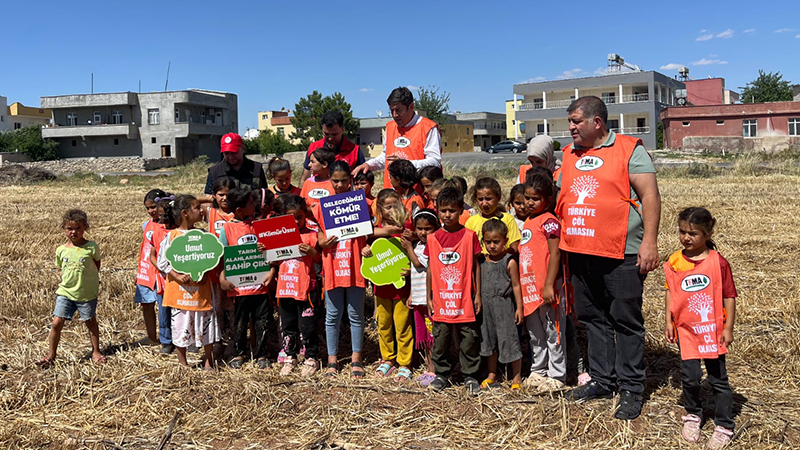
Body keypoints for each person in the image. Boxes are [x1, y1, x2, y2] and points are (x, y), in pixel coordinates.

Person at [557, 96, 661, 421]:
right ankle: (603, 380)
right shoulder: (569, 154)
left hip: (621, 252)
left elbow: (650, 196)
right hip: (580, 250)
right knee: (592, 318)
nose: (571, 127)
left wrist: (650, 242)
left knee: (625, 320)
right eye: (570, 122)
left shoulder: (630, 150)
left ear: (596, 122)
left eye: (576, 121)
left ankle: (631, 388)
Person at [664, 207, 736, 449]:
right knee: (690, 377)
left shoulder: (719, 262)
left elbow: (729, 296)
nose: (686, 238)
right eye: (682, 232)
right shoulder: (674, 261)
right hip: (687, 331)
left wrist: (728, 328)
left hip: (712, 331)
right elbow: (670, 293)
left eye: (693, 233)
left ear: (708, 233)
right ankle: (693, 413)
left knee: (718, 380)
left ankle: (724, 424)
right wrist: (668, 321)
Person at [425, 187, 483, 395]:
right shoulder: (432, 239)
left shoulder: (469, 236)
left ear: (461, 211)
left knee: (469, 339)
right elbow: (431, 267)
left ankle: (470, 375)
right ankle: (442, 374)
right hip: (442, 300)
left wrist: (477, 294)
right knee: (441, 338)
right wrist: (429, 295)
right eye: (443, 210)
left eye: (452, 210)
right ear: (437, 210)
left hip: (464, 299)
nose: (447, 215)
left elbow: (476, 266)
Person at [314, 162, 368, 379]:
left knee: (356, 314)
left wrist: (367, 246)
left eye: (343, 180)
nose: (339, 184)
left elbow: (369, 232)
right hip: (333, 266)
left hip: (355, 266)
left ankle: (356, 358)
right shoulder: (322, 206)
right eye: (335, 180)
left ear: (350, 180)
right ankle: (332, 359)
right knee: (332, 315)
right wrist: (323, 242)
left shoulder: (360, 202)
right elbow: (318, 234)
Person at [157, 195, 221, 370]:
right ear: (185, 213)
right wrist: (177, 276)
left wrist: (206, 273)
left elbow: (211, 258)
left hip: (202, 292)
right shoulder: (172, 237)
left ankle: (209, 360)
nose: (202, 211)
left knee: (206, 325)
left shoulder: (204, 236)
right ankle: (182, 363)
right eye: (196, 207)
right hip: (181, 294)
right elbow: (162, 262)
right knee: (180, 325)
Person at [218, 187, 277, 370]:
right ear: (239, 210)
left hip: (260, 285)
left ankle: (261, 353)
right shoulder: (227, 228)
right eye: (251, 203)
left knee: (262, 320)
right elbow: (222, 257)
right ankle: (239, 353)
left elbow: (272, 251)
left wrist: (271, 269)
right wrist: (222, 278)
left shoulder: (259, 225)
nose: (255, 205)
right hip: (239, 287)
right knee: (240, 321)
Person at [38, 209, 105, 367]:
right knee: (56, 323)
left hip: (86, 294)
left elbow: (97, 266)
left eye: (78, 228)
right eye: (70, 228)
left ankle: (96, 351)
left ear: (85, 228)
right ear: (64, 228)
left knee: (90, 322)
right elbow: (62, 268)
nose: (73, 232)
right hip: (66, 292)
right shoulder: (61, 250)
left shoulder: (91, 247)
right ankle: (51, 356)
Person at [520, 171, 567, 392]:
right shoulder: (528, 221)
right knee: (535, 334)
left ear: (547, 200)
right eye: (527, 198)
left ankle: (557, 374)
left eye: (535, 198)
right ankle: (539, 370)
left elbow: (555, 253)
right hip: (530, 289)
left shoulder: (549, 222)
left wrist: (549, 284)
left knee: (553, 332)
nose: (529, 202)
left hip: (547, 289)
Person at [366, 189, 414, 381]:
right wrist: (365, 249)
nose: (392, 210)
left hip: (402, 287)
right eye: (387, 207)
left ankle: (405, 362)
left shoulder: (408, 227)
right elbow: (365, 241)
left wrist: (411, 269)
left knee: (402, 325)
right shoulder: (375, 230)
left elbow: (418, 249)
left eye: (395, 205)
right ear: (380, 209)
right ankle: (388, 359)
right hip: (381, 287)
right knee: (384, 324)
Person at [352, 87, 442, 188]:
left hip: (416, 194)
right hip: (391, 196)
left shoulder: (428, 128)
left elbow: (435, 162)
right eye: (392, 110)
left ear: (411, 107)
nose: (395, 115)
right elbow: (385, 157)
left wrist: (405, 165)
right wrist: (368, 165)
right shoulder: (390, 127)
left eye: (398, 110)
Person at [273, 195, 321, 377]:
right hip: (285, 287)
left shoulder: (312, 235)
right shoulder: (279, 235)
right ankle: (290, 356)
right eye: (291, 217)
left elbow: (319, 260)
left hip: (306, 288)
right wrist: (265, 250)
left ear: (305, 215)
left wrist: (312, 251)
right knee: (288, 324)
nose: (296, 221)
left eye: (299, 217)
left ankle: (311, 357)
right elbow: (275, 260)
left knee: (307, 325)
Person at [478, 219, 524, 390]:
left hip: (504, 306)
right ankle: (492, 373)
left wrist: (519, 307)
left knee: (509, 339)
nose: (492, 246)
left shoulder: (509, 261)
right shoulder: (482, 261)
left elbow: (516, 286)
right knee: (489, 340)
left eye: (496, 242)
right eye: (488, 242)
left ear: (505, 240)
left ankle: (516, 376)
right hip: (486, 307)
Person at [400, 209, 439, 386]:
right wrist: (410, 295)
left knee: (432, 336)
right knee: (423, 336)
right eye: (420, 228)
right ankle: (429, 368)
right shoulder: (418, 246)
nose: (423, 232)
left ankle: (434, 369)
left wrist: (408, 247)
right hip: (418, 299)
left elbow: (417, 263)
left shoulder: (431, 246)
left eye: (427, 228)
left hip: (428, 300)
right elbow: (414, 272)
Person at [135, 189, 168, 347]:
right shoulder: (146, 225)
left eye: (153, 207)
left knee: (164, 305)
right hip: (146, 270)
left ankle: (166, 337)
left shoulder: (169, 225)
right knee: (146, 304)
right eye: (147, 208)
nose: (151, 211)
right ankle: (151, 336)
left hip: (161, 270)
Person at [300, 111, 365, 184]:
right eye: (326, 134)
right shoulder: (314, 148)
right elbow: (304, 179)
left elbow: (363, 181)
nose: (330, 138)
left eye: (334, 134)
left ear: (343, 129)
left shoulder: (355, 151)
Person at [465, 177, 521, 254]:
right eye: (480, 199)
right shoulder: (471, 222)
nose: (484, 203)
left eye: (488, 199)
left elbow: (514, 247)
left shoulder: (507, 219)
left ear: (498, 197)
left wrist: (494, 259)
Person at [204, 132, 268, 196]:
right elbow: (209, 199)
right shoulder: (214, 172)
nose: (230, 157)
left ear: (243, 148)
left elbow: (265, 196)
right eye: (226, 153)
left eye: (234, 152)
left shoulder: (257, 169)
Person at [300, 148, 336, 212]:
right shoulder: (308, 183)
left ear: (324, 164)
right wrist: (308, 210)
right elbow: (301, 206)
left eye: (312, 162)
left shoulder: (335, 183)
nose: (309, 165)